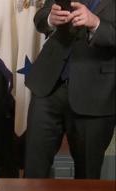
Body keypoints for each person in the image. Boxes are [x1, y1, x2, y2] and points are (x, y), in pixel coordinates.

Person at [24, 0, 115, 178]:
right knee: (33, 171)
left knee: (87, 179)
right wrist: (50, 18)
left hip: (96, 95)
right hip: (48, 86)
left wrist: (95, 23)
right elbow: (41, 17)